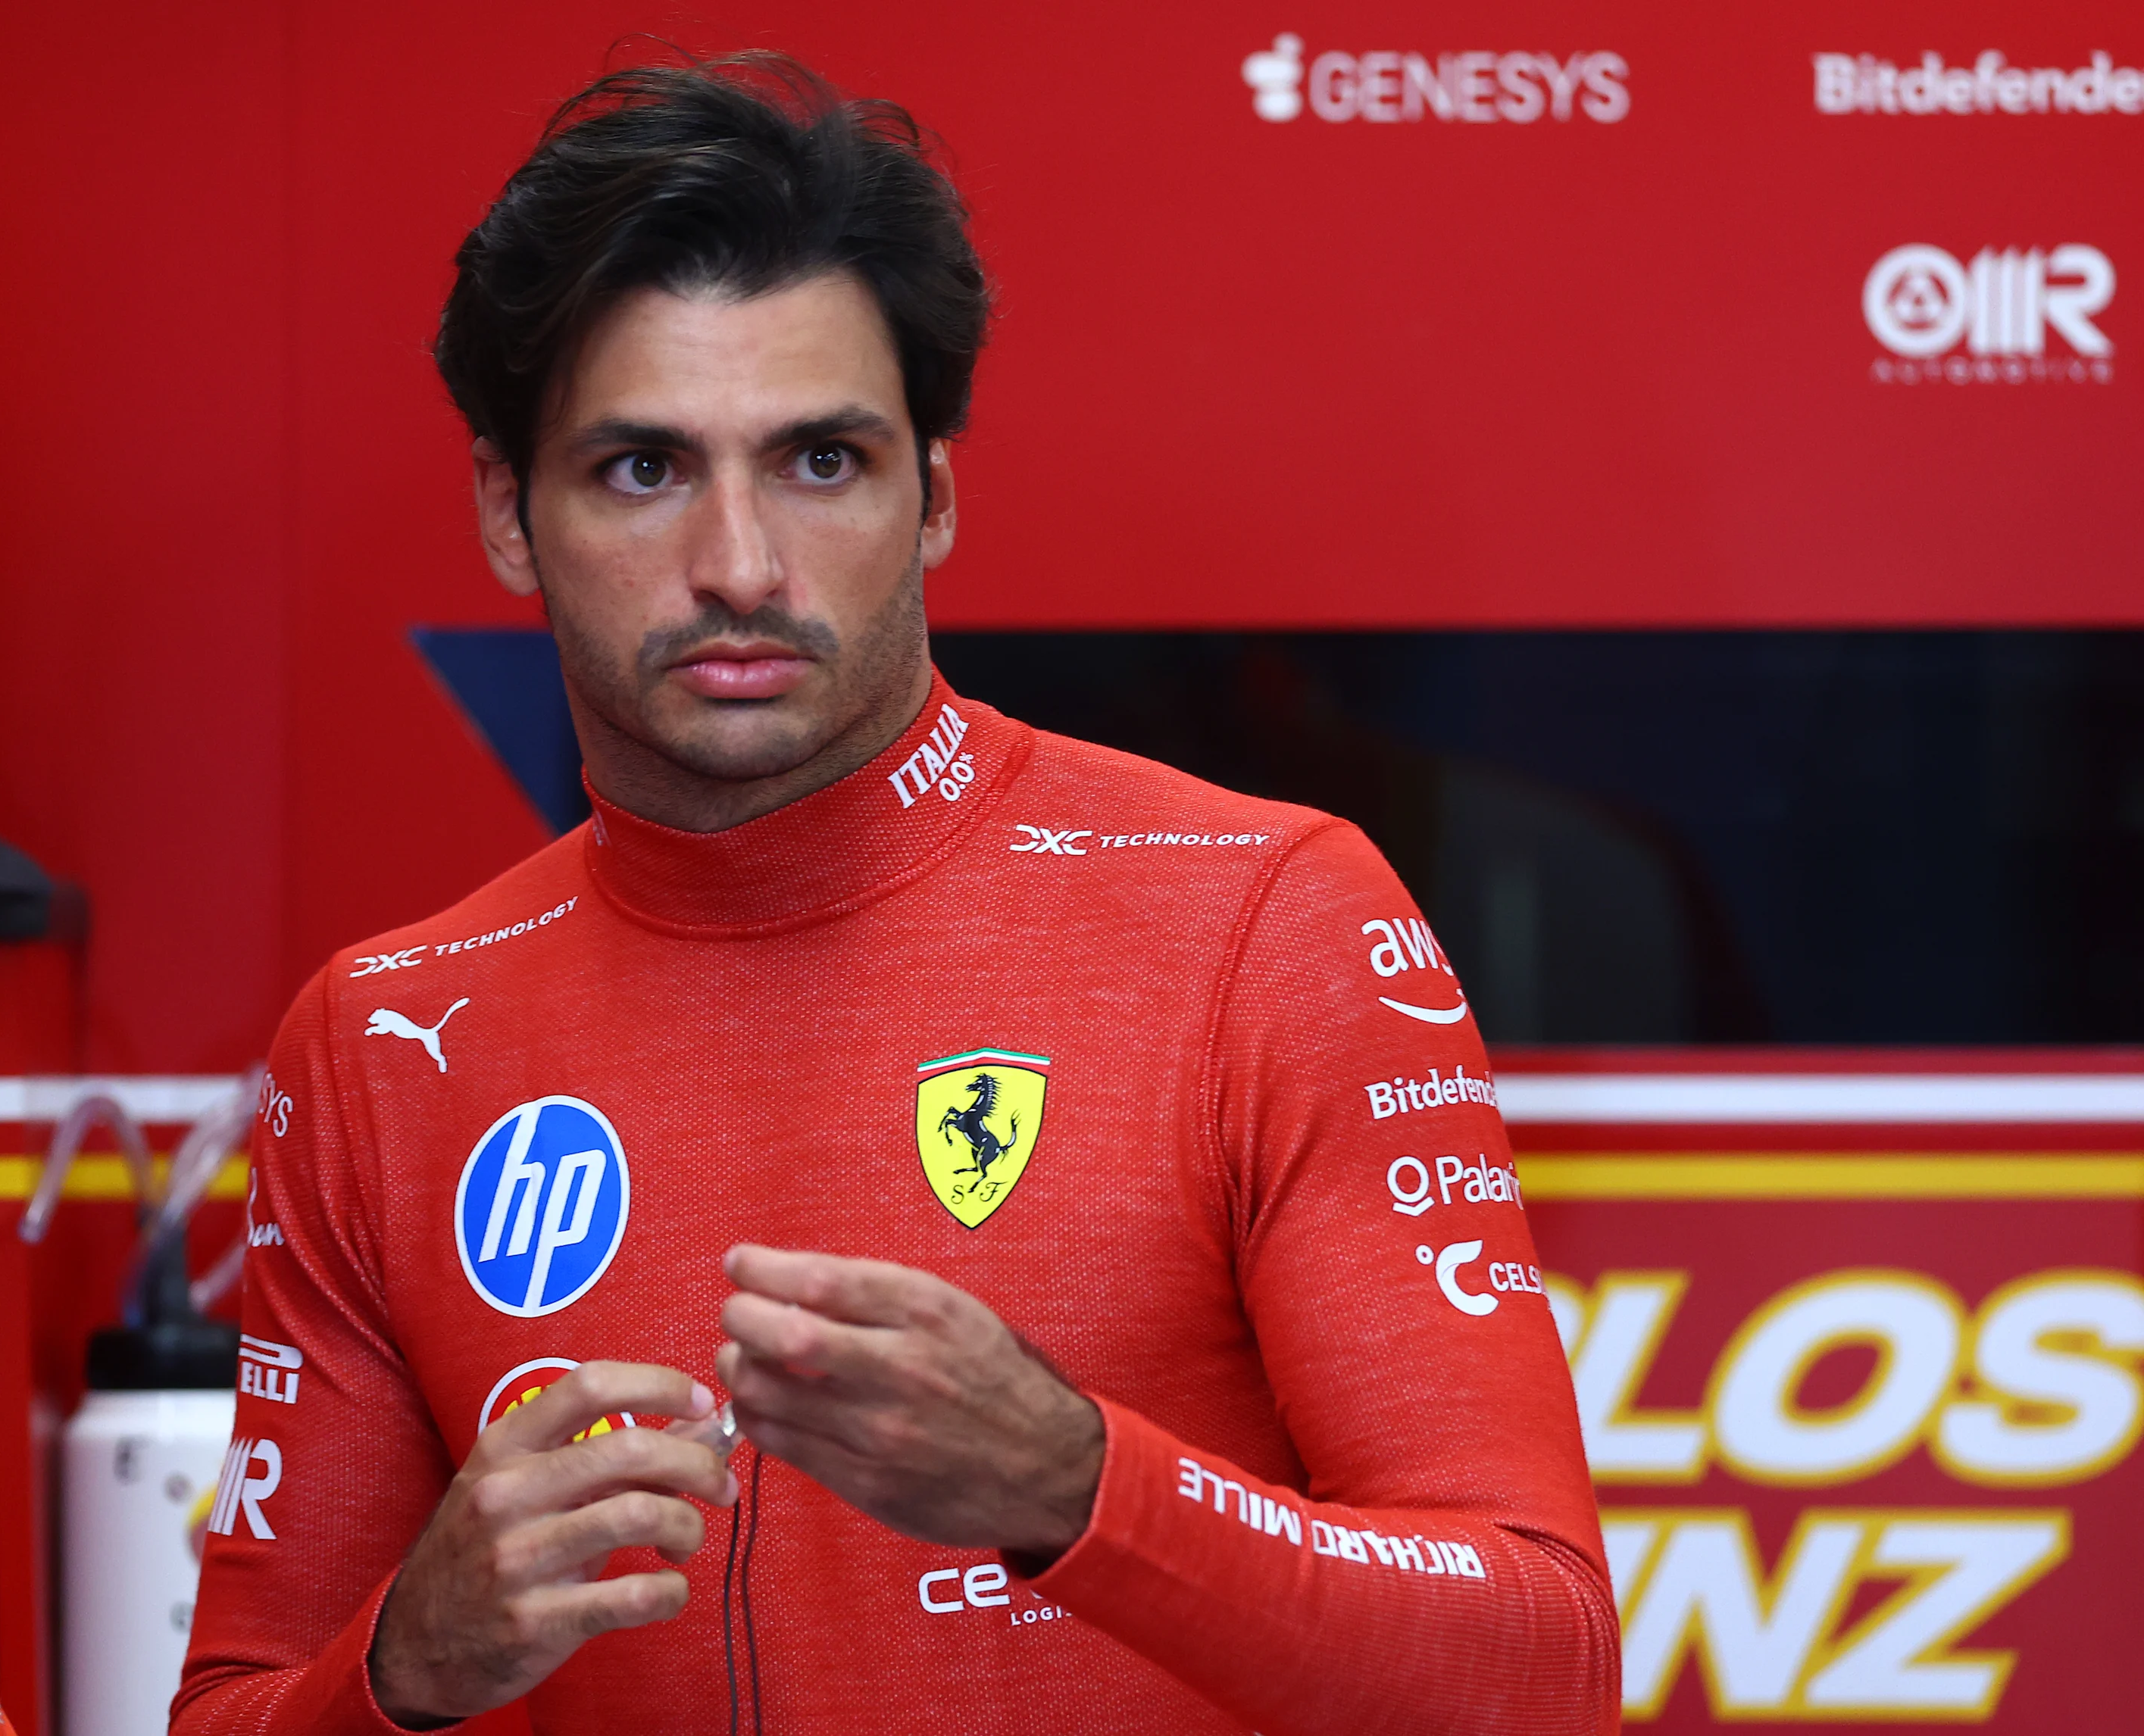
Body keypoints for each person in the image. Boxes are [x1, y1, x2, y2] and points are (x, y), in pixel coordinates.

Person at [177, 52, 1617, 1735]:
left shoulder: (1261, 918)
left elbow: (1540, 1665)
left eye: (820, 462)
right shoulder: (382, 1041)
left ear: (931, 495)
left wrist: (1076, 1489)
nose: (736, 564)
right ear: (509, 513)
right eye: (642, 469)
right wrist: (403, 1670)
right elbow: (233, 1716)